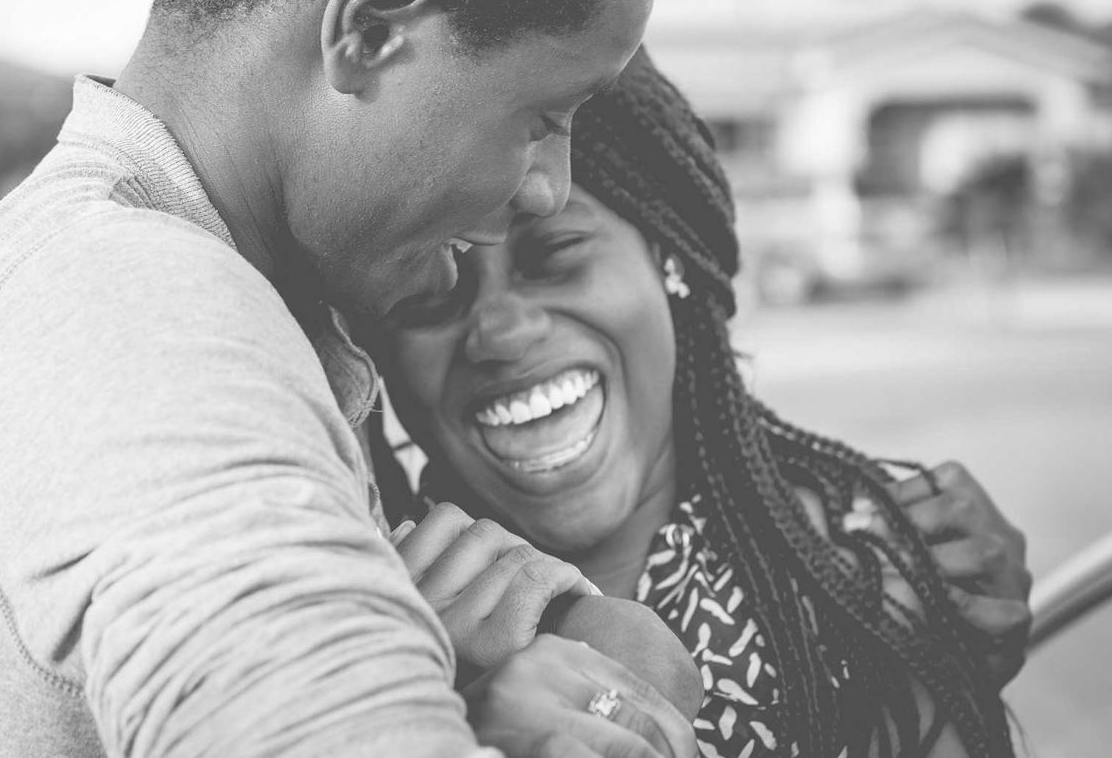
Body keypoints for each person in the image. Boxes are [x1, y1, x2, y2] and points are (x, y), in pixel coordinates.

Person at [0, 0, 690, 757]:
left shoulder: (115, 277)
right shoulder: (137, 319)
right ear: (371, 30)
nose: (548, 186)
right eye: (542, 119)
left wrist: (598, 643)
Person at [365, 49, 1033, 757]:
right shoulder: (358, 617)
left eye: (557, 254)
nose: (500, 330)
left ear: (671, 261)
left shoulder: (856, 585)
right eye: (433, 287)